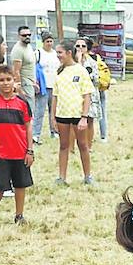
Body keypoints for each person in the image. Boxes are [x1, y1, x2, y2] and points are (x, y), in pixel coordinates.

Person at [0, 65, 34, 225]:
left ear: (14, 80)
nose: (5, 83)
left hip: (20, 151)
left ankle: (19, 215)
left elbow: (28, 126)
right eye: (1, 80)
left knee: (20, 184)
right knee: (0, 186)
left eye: (8, 79)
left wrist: (29, 150)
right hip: (1, 153)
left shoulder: (22, 102)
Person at [52, 41, 94, 186]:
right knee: (64, 145)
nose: (58, 56)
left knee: (82, 145)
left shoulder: (80, 71)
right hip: (62, 114)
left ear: (69, 53)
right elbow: (55, 96)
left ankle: (88, 176)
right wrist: (53, 117)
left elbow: (87, 95)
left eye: (60, 52)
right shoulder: (59, 72)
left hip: (77, 114)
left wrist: (84, 117)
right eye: (57, 53)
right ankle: (61, 177)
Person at [8, 25, 39, 144]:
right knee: (28, 113)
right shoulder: (18, 50)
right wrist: (20, 89)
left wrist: (34, 82)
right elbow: (16, 71)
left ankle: (28, 137)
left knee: (31, 111)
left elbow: (30, 66)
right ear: (18, 36)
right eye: (24, 35)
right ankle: (25, 139)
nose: (27, 37)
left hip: (31, 83)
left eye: (28, 35)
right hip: (24, 84)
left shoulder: (29, 47)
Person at [80, 39, 111, 146]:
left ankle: (98, 139)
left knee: (92, 118)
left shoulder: (92, 61)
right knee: (101, 113)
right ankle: (103, 136)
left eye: (82, 46)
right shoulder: (97, 57)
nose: (79, 49)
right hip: (96, 90)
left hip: (93, 92)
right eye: (77, 46)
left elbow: (94, 78)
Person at [37, 35, 60, 140]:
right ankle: (36, 133)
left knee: (53, 110)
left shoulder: (56, 54)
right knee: (40, 110)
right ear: (43, 42)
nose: (49, 43)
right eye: (47, 41)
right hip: (43, 86)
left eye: (51, 41)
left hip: (54, 86)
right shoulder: (38, 53)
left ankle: (54, 131)